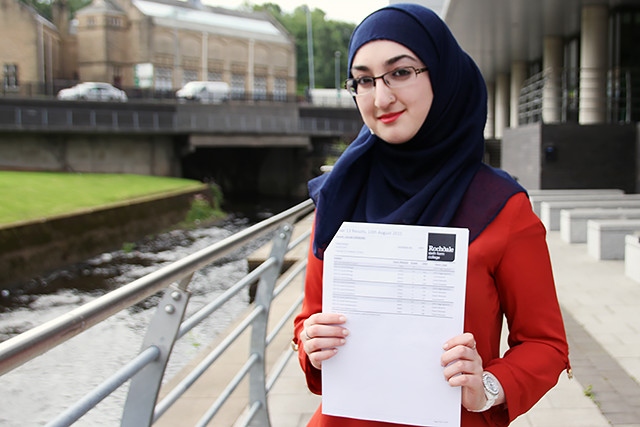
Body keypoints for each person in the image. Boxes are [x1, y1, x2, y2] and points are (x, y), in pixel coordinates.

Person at [292, 3, 570, 427]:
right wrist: (311, 342)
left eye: (400, 72)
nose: (380, 97)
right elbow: (309, 320)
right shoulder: (340, 194)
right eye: (363, 80)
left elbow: (546, 344)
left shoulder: (501, 206)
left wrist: (489, 388)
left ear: (442, 75)